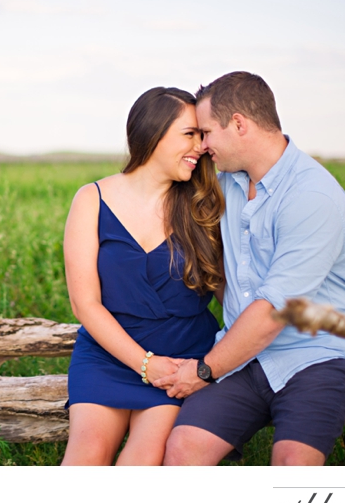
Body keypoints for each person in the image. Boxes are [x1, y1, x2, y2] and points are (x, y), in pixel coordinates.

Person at [156, 72, 345, 466]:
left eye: (206, 132)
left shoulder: (312, 195)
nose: (202, 144)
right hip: (243, 358)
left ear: (238, 124)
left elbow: (272, 311)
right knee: (183, 450)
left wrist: (203, 370)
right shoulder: (225, 185)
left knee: (292, 465)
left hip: (314, 356)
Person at [61, 87, 225, 466]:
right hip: (108, 355)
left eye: (203, 135)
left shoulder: (205, 204)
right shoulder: (92, 199)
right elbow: (84, 304)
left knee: (142, 460)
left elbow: (232, 293)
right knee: (84, 458)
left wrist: (194, 367)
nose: (201, 145)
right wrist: (145, 364)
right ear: (153, 133)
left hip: (180, 360)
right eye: (190, 134)